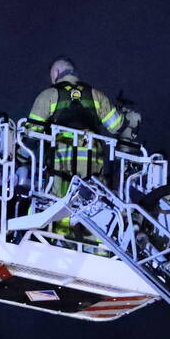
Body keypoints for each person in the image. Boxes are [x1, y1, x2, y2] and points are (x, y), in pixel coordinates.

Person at [25, 57, 123, 236]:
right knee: (94, 205)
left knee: (60, 205)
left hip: (61, 163)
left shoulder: (49, 94)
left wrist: (19, 156)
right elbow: (117, 126)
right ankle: (97, 245)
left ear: (55, 73)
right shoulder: (95, 94)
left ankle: (60, 240)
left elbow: (31, 132)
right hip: (93, 164)